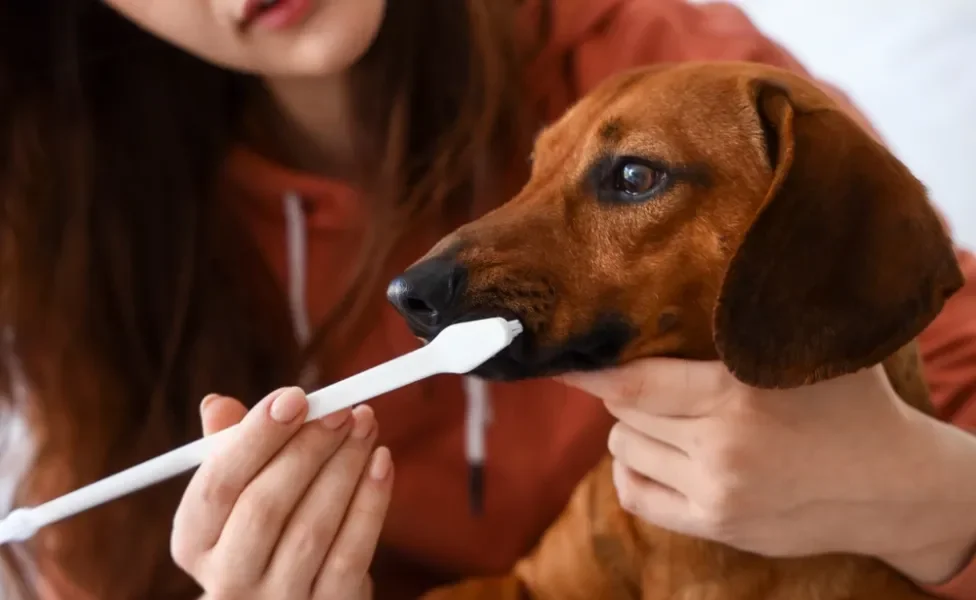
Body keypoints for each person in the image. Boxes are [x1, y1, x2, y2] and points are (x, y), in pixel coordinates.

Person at [0, 0, 974, 599]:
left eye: (626, 181)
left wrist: (932, 500)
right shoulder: (83, 227)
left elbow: (931, 347)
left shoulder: (662, 68)